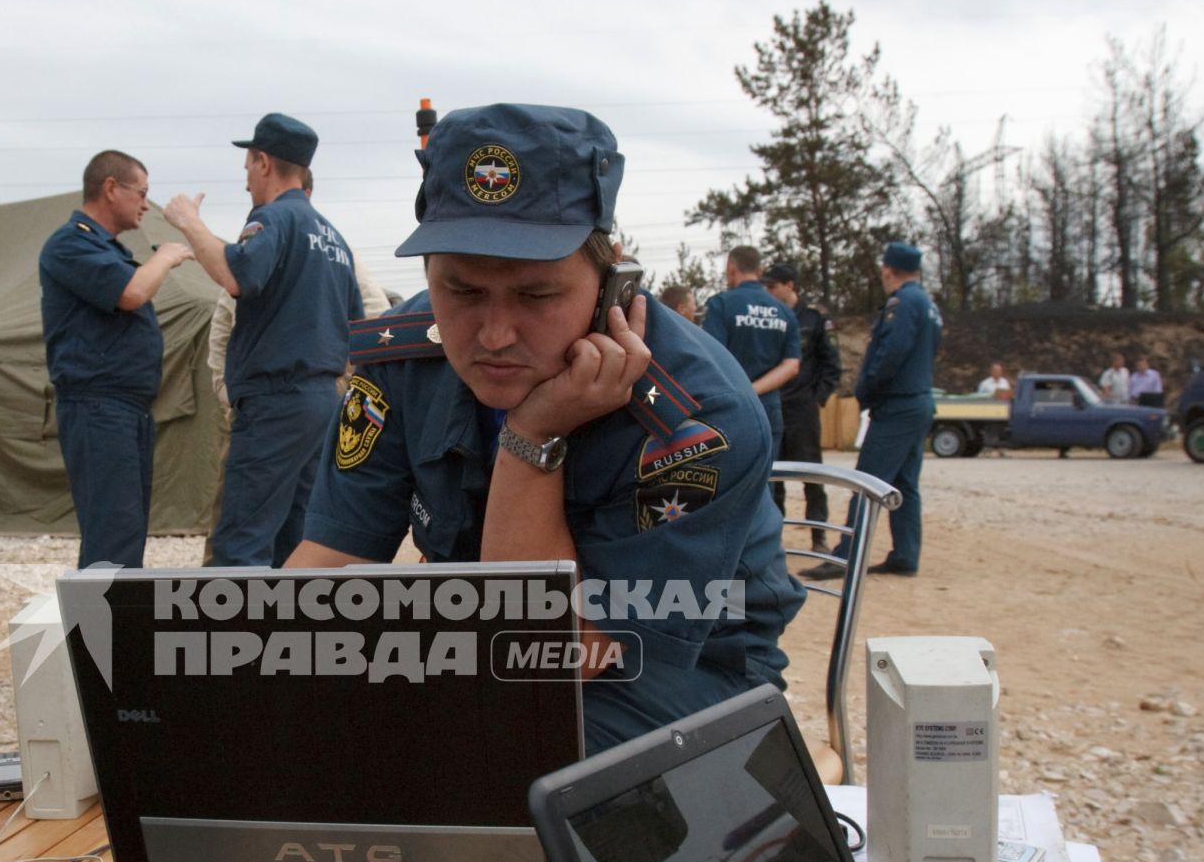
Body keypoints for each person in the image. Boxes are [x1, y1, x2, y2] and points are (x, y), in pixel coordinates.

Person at [287, 103, 804, 752]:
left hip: (681, 677)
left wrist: (532, 436)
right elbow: (329, 563)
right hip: (481, 651)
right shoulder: (402, 359)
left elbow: (547, 652)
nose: (495, 335)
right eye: (461, 291)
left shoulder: (699, 416)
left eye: (536, 296)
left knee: (472, 751)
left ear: (612, 279)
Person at [163, 114, 363, 567]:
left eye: (249, 164)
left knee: (241, 541)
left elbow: (238, 275)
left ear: (263, 162)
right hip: (320, 401)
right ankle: (289, 635)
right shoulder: (333, 237)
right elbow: (357, 330)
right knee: (295, 538)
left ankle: (231, 636)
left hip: (275, 401)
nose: (246, 176)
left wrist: (189, 222)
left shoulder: (273, 220)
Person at [39, 150, 193, 568]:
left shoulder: (105, 250)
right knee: (113, 534)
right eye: (141, 193)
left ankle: (112, 628)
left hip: (125, 408)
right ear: (111, 188)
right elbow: (131, 294)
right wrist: (165, 255)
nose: (146, 203)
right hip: (98, 406)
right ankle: (101, 630)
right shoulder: (72, 244)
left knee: (124, 532)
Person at [802, 242, 942, 581]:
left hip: (897, 403)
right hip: (918, 400)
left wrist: (866, 391)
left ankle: (844, 557)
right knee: (905, 483)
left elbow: (890, 355)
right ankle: (906, 554)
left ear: (887, 270)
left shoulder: (903, 303)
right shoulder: (927, 304)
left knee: (867, 482)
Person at [760, 262, 841, 551]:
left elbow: (832, 364)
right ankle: (773, 541)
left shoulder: (815, 318)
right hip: (773, 404)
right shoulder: (770, 318)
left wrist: (816, 397)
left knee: (811, 475)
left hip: (802, 409)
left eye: (772, 286)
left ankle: (818, 537)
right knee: (773, 477)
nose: (767, 291)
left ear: (789, 285)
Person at [701, 246, 800, 467]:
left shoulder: (722, 304)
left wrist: (744, 390)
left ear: (731, 268)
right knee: (767, 476)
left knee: (729, 478)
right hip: (768, 407)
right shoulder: (784, 311)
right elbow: (792, 365)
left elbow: (712, 355)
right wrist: (756, 389)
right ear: (760, 269)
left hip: (730, 407)